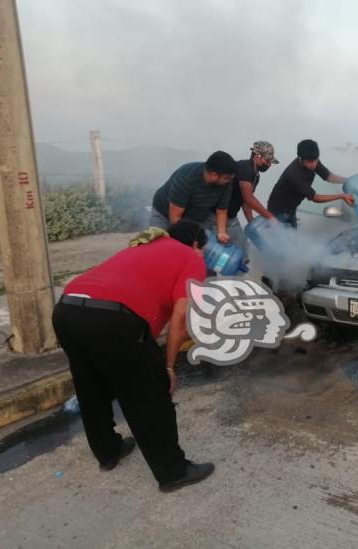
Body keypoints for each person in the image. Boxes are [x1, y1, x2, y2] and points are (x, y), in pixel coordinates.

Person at [52, 220, 215, 493]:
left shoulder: (143, 247)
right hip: (114, 319)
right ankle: (173, 471)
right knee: (149, 396)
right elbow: (180, 321)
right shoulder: (191, 257)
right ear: (197, 244)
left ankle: (108, 452)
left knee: (91, 388)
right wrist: (169, 367)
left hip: (67, 310)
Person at [149, 151, 237, 244]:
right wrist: (189, 240)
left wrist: (222, 233)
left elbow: (221, 211)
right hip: (165, 215)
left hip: (197, 216)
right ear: (214, 175)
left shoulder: (226, 183)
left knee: (203, 246)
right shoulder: (186, 179)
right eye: (227, 178)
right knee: (164, 246)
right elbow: (175, 219)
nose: (229, 181)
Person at [266, 139, 354, 229]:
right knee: (285, 240)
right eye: (309, 162)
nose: (313, 165)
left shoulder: (312, 158)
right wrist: (341, 196)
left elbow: (329, 176)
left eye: (315, 160)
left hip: (291, 209)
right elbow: (315, 198)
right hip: (278, 211)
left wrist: (349, 180)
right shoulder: (294, 174)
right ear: (300, 159)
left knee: (292, 237)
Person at [217, 141, 279, 260]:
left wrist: (252, 224)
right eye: (267, 161)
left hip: (230, 216)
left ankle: (235, 274)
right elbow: (248, 198)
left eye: (270, 162)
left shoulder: (255, 175)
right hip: (218, 214)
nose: (269, 165)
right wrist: (270, 217)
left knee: (242, 249)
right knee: (221, 250)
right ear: (257, 156)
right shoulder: (246, 169)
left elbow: (246, 204)